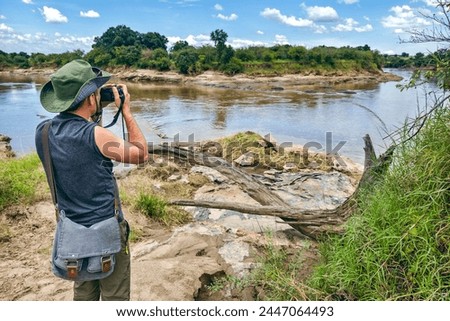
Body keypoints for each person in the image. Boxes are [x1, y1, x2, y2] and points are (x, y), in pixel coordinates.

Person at [35, 59, 148, 300]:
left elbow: (76, 138)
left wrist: (93, 108)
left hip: (72, 233)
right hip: (107, 230)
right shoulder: (97, 135)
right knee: (114, 298)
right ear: (89, 99)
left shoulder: (42, 132)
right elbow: (140, 154)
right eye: (96, 93)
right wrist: (125, 111)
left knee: (83, 296)